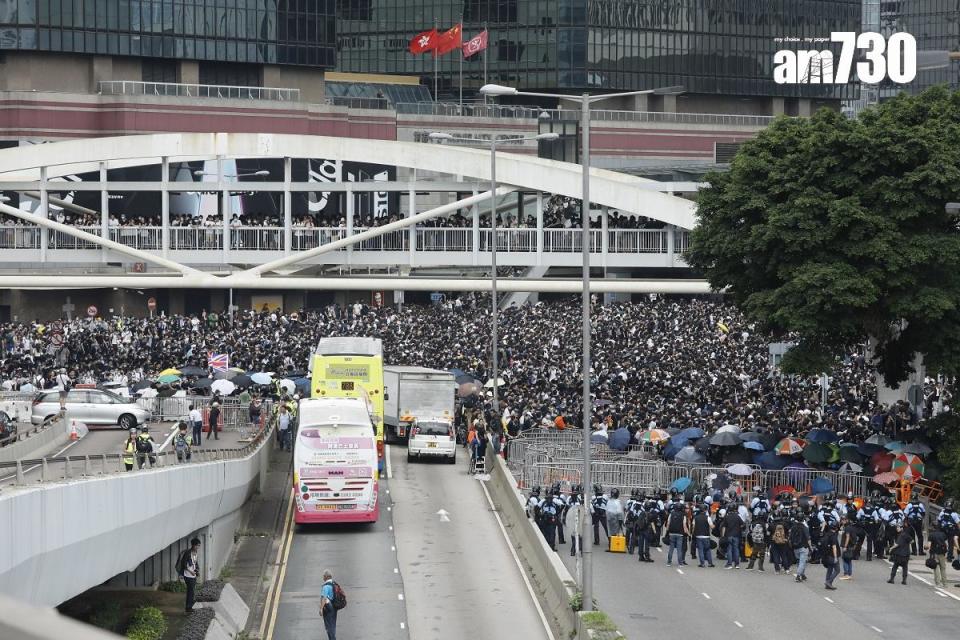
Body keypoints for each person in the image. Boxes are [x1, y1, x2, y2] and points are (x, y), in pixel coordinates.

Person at [177, 538, 201, 614]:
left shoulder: (195, 552)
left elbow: (195, 563)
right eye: (197, 545)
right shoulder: (188, 553)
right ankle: (188, 608)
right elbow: (184, 565)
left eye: (199, 546)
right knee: (190, 591)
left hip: (193, 574)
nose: (198, 547)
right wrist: (191, 572)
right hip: (188, 575)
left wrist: (197, 570)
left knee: (192, 591)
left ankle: (190, 605)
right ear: (193, 545)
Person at [665, 501, 689, 567]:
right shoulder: (683, 515)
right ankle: (680, 563)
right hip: (680, 534)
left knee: (671, 548)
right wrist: (688, 533)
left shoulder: (671, 514)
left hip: (672, 533)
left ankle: (669, 562)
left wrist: (667, 531)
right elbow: (684, 525)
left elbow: (668, 523)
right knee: (679, 549)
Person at [926, 522, 949, 588]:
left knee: (936, 567)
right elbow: (946, 544)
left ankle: (938, 583)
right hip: (942, 553)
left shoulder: (931, 535)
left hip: (934, 553)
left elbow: (929, 545)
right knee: (943, 568)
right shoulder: (943, 534)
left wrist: (926, 547)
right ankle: (945, 584)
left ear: (933, 527)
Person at [692, 502, 714, 568]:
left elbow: (693, 527)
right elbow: (712, 526)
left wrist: (693, 534)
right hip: (706, 536)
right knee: (707, 549)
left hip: (698, 536)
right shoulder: (708, 518)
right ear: (705, 510)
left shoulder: (696, 518)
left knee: (700, 550)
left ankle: (702, 563)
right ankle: (710, 563)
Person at [790, 513, 811, 583]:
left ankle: (802, 574)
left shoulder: (793, 527)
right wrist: (810, 547)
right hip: (803, 547)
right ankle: (798, 576)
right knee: (802, 562)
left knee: (800, 561)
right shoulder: (805, 528)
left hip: (795, 547)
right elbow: (808, 539)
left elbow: (790, 537)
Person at [721, 504, 743, 569]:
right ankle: (737, 564)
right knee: (736, 549)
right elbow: (742, 525)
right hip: (736, 535)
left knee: (729, 550)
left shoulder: (727, 517)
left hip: (728, 535)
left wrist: (723, 536)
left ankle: (729, 564)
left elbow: (724, 527)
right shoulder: (737, 516)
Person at [320, 570, 339, 640]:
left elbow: (324, 598)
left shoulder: (326, 586)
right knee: (333, 625)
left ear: (326, 577)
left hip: (328, 608)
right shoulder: (334, 583)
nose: (323, 577)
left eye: (323, 576)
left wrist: (321, 609)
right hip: (334, 607)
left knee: (329, 626)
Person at [822, 522, 841, 590]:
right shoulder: (833, 536)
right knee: (837, 570)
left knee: (830, 569)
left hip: (827, 555)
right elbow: (834, 547)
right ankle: (829, 582)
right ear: (836, 528)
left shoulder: (827, 534)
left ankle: (827, 584)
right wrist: (835, 557)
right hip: (832, 556)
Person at [566, 485, 584, 557]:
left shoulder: (571, 498)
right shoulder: (579, 498)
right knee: (579, 535)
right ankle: (577, 550)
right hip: (576, 517)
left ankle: (574, 550)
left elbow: (566, 507)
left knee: (575, 535)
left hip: (574, 517)